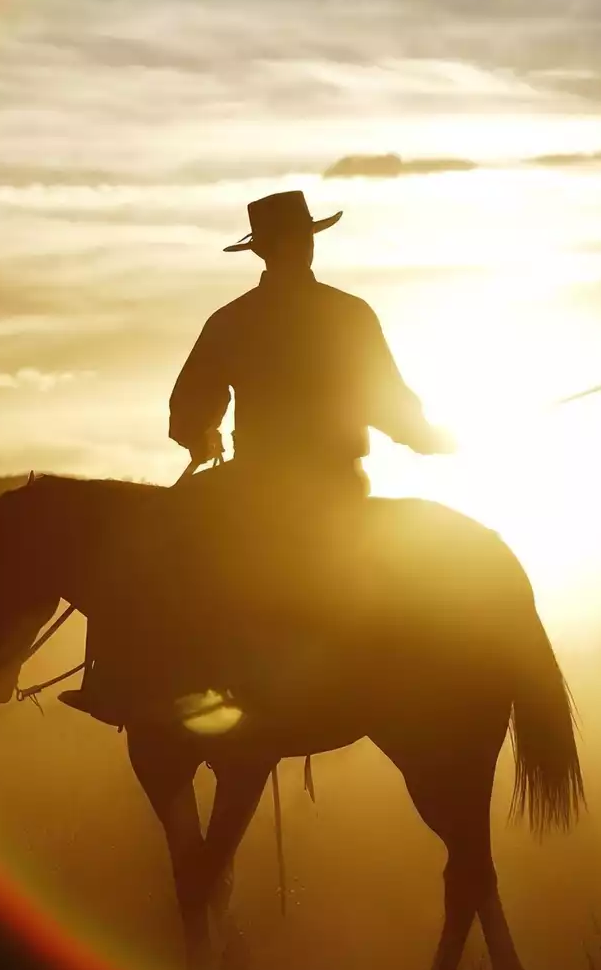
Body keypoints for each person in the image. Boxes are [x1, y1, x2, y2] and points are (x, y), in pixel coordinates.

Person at [59, 190, 452, 725]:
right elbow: (385, 398)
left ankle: (115, 681)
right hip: (335, 482)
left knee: (142, 543)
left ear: (263, 250)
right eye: (302, 238)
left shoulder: (233, 319)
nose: (306, 246)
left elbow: (189, 403)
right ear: (291, 245)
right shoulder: (348, 313)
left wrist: (199, 435)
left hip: (254, 486)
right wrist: (426, 436)